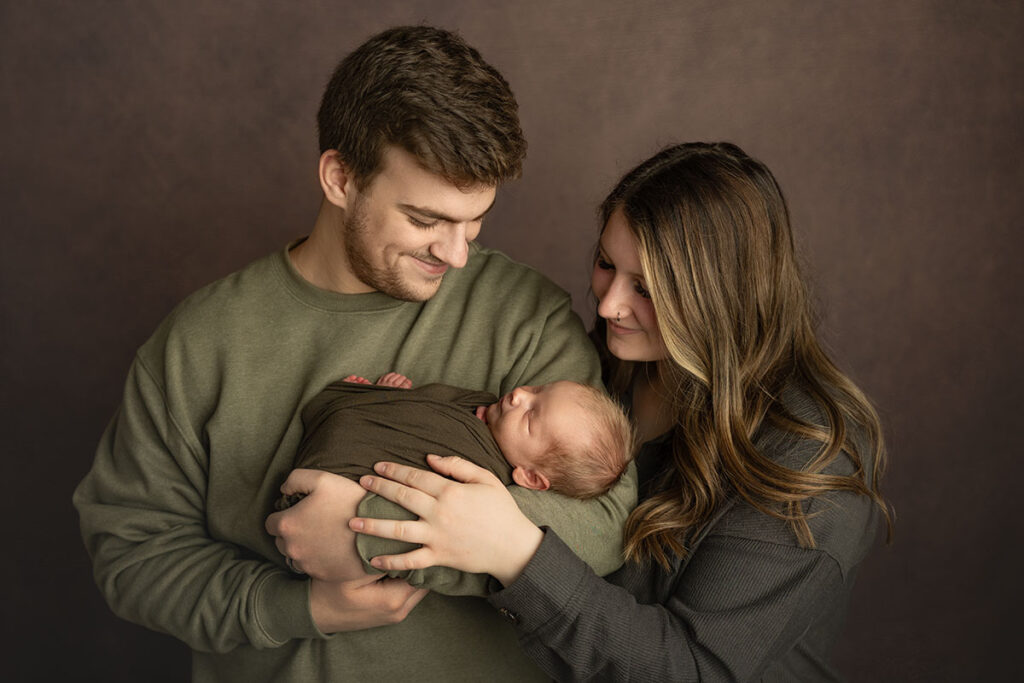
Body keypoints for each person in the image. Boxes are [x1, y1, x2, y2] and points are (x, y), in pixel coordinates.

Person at [73, 26, 635, 682]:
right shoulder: (197, 345)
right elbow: (132, 554)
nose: (456, 255)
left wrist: (368, 531)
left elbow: (604, 521)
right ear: (340, 178)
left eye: (474, 222)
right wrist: (300, 604)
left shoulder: (521, 314)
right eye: (425, 220)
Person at [349, 142, 895, 681]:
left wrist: (516, 554)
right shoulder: (609, 367)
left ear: (722, 298)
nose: (609, 305)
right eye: (606, 264)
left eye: (648, 289)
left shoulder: (809, 460)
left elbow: (691, 670)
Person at [276, 372, 633, 585]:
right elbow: (424, 412)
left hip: (335, 491)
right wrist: (388, 396)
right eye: (538, 390)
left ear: (530, 477)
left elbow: (425, 492)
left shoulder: (481, 484)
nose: (519, 395)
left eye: (530, 417)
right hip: (339, 443)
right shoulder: (482, 408)